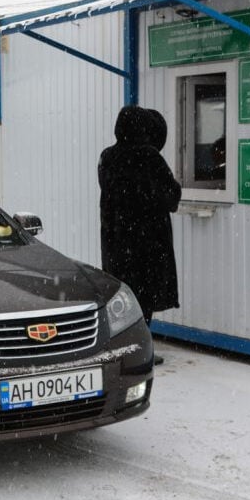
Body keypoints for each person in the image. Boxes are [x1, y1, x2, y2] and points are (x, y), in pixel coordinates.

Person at [98, 105, 181, 365]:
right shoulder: (150, 157)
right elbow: (170, 196)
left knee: (122, 294)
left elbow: (108, 190)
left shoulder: (108, 156)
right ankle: (140, 349)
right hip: (147, 240)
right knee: (144, 295)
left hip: (115, 237)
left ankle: (123, 346)